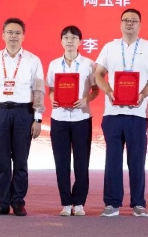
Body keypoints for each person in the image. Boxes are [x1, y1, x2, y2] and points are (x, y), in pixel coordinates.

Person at [94, 8, 148, 217]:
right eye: (126, 20)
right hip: (113, 113)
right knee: (113, 160)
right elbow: (98, 73)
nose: (129, 23)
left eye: (134, 20)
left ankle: (138, 203)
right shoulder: (109, 47)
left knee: (137, 159)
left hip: (138, 113)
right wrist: (108, 91)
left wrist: (143, 94)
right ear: (120, 23)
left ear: (140, 25)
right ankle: (112, 203)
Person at [0, 18, 45, 217]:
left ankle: (18, 202)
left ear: (23, 36)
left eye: (17, 33)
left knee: (21, 160)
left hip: (23, 113)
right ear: (3, 35)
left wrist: (38, 118)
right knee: (1, 160)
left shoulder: (33, 60)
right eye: (10, 32)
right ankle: (3, 203)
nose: (13, 36)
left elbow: (38, 91)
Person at [46, 25, 99, 216]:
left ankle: (79, 203)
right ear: (61, 41)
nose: (69, 41)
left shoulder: (89, 64)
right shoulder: (54, 64)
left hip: (81, 117)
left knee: (81, 163)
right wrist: (52, 98)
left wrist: (86, 100)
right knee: (61, 163)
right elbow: (51, 89)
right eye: (66, 38)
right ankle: (66, 203)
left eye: (73, 38)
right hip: (59, 118)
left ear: (80, 42)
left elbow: (96, 89)